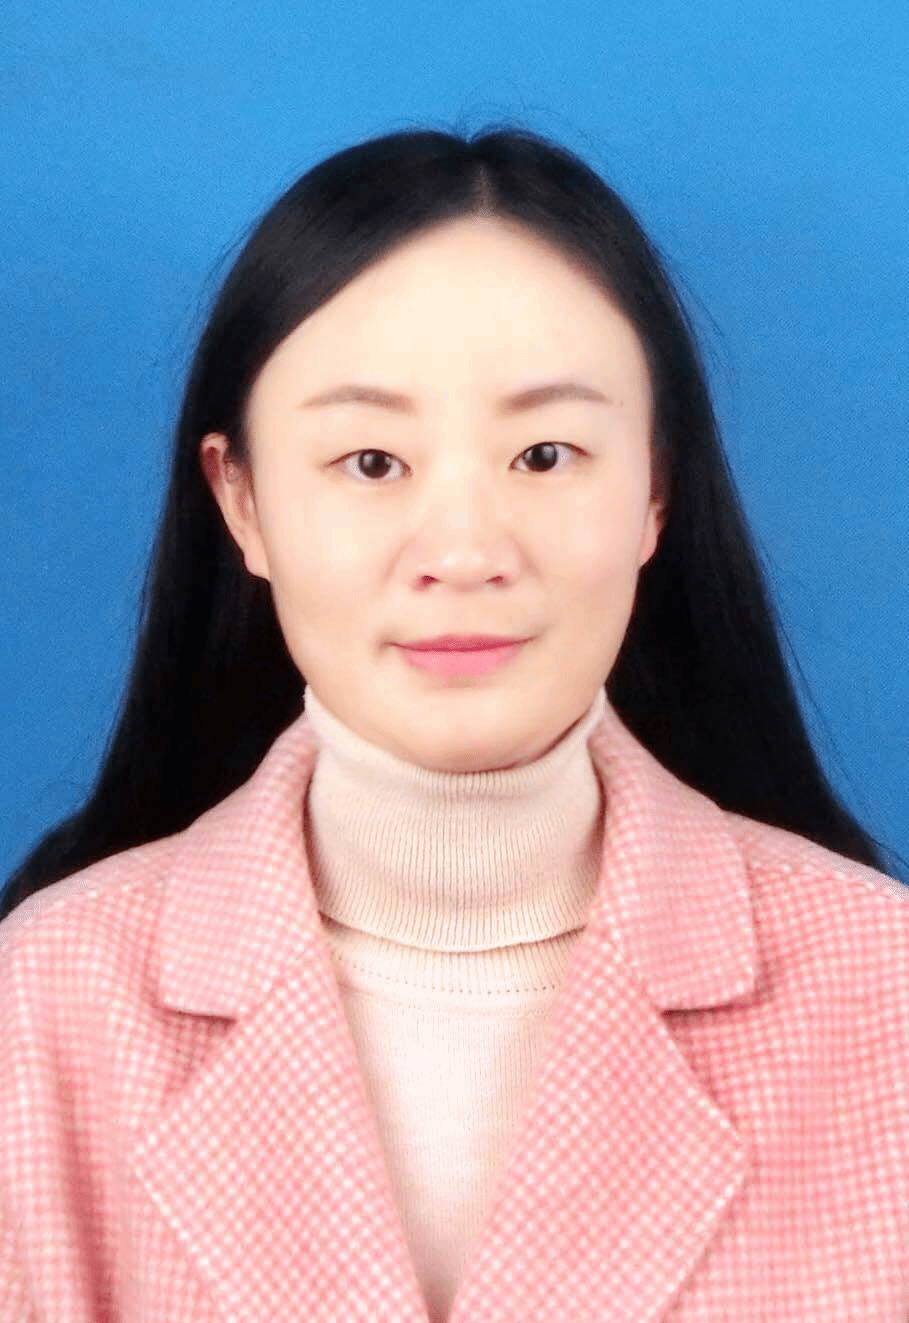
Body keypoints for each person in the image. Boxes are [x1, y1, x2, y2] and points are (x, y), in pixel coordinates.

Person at [1, 126, 907, 1322]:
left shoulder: (883, 995)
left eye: (546, 454)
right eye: (372, 461)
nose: (467, 552)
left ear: (653, 492)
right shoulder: (42, 1007)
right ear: (243, 502)